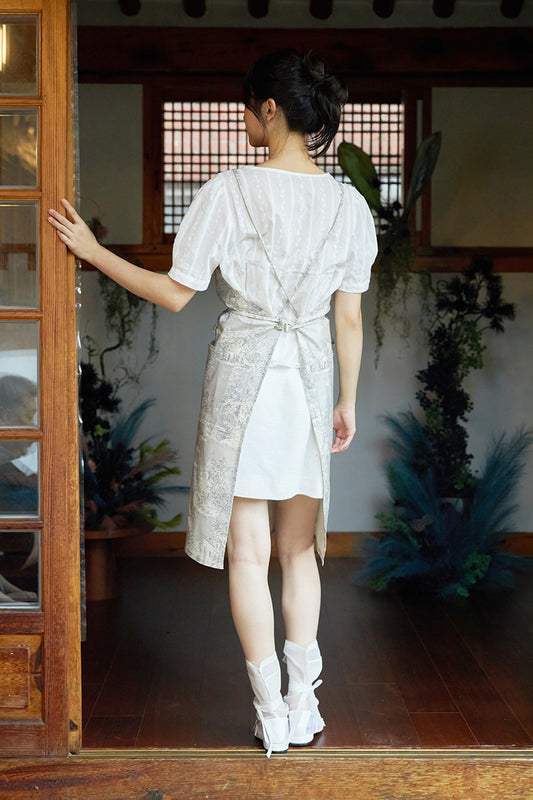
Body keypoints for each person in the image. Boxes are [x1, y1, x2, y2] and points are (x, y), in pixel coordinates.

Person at [48, 49, 377, 756]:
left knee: (248, 552)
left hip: (245, 379)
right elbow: (348, 318)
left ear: (270, 109)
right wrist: (346, 399)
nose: (243, 118)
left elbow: (176, 293)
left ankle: (271, 714)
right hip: (310, 378)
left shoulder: (228, 191)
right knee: (299, 551)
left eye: (247, 106)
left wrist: (94, 253)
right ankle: (304, 704)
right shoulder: (349, 205)